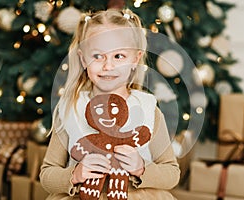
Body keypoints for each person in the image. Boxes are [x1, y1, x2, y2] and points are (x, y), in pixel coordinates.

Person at [39, 8, 180, 200]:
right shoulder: (71, 108)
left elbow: (171, 173)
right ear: (83, 58)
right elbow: (47, 174)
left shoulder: (148, 109)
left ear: (135, 60)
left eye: (118, 56)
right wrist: (74, 175)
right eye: (98, 56)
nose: (108, 66)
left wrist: (141, 168)